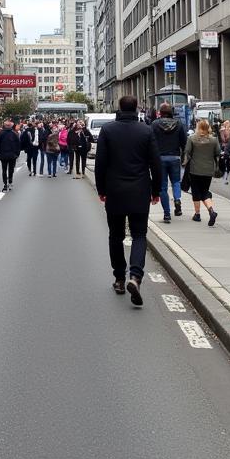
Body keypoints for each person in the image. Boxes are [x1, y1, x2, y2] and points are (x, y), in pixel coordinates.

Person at [94, 94, 161, 306]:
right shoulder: (146, 130)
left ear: (119, 108)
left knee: (116, 235)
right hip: (140, 189)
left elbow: (100, 163)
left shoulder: (108, 130)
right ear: (137, 109)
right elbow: (155, 164)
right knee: (139, 234)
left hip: (114, 190)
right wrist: (156, 190)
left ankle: (120, 279)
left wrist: (101, 189)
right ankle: (136, 276)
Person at [152, 103, 187, 223]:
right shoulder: (178, 124)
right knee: (176, 181)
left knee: (162, 187)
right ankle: (177, 199)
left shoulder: (155, 124)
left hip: (159, 158)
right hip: (175, 157)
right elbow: (184, 142)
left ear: (160, 112)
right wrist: (183, 156)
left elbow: (151, 141)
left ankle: (167, 214)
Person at [183, 118, 220, 225]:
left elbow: (187, 151)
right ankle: (211, 210)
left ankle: (197, 214)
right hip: (208, 170)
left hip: (195, 169)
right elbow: (217, 152)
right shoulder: (213, 140)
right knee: (205, 191)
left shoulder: (192, 138)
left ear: (198, 127)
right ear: (208, 128)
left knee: (195, 192)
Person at [0, 119, 21, 191]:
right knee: (11, 169)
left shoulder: (0, 134)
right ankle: (10, 181)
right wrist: (17, 154)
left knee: (4, 170)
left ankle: (5, 184)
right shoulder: (14, 134)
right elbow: (18, 145)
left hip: (3, 155)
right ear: (11, 126)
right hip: (12, 155)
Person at [219, 119, 230, 185]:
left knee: (227, 163)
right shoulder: (223, 130)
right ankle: (224, 177)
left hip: (228, 148)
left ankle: (225, 178)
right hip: (225, 148)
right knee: (225, 162)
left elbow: (226, 140)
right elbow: (224, 140)